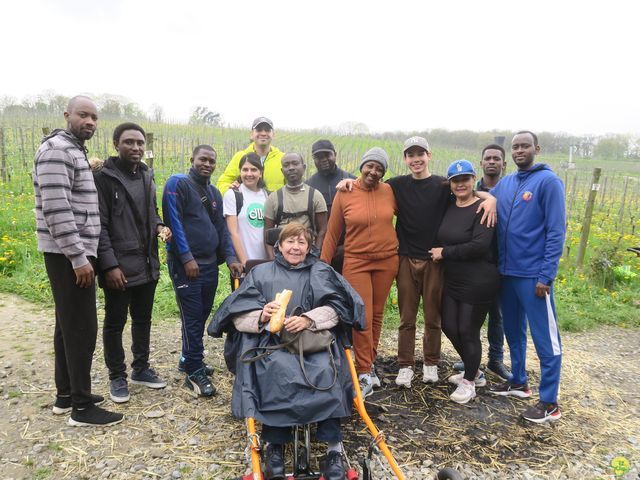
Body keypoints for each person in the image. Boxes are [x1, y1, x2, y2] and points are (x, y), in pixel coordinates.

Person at [335, 137, 495, 390]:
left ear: (429, 155)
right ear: (405, 159)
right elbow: (368, 186)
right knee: (406, 316)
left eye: (420, 153)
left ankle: (431, 361)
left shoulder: (443, 185)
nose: (416, 159)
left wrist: (491, 199)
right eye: (411, 155)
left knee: (433, 315)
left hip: (434, 258)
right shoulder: (396, 185)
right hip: (406, 257)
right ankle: (405, 365)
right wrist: (347, 182)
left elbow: (470, 192)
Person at [208, 223, 365, 480]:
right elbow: (237, 317)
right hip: (271, 345)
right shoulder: (260, 274)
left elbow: (339, 309)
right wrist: (262, 315)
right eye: (290, 241)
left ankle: (333, 449)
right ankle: (275, 446)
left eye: (301, 242)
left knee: (328, 369)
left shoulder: (322, 271)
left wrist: (309, 319)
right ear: (279, 245)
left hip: (314, 342)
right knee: (274, 370)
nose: (295, 247)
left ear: (308, 246)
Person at [33, 95, 123, 426]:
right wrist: (78, 256)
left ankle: (66, 395)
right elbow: (57, 210)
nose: (90, 122)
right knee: (82, 327)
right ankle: (82, 409)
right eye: (83, 115)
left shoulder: (72, 149)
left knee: (67, 325)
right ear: (67, 114)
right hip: (68, 254)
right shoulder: (57, 150)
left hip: (72, 252)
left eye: (94, 117)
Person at [489, 131, 566, 424]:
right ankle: (519, 381)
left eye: (525, 146)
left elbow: (556, 231)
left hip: (534, 276)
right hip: (507, 273)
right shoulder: (507, 183)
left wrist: (546, 274)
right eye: (516, 147)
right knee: (513, 331)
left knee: (546, 339)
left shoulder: (548, 182)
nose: (520, 150)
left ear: (537, 148)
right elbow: (484, 197)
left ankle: (549, 402)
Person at [94, 122, 171, 404]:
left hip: (147, 262)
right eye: (129, 142)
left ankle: (140, 368)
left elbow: (151, 212)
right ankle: (117, 375)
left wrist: (160, 226)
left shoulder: (147, 175)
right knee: (115, 323)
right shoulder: (103, 177)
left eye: (140, 143)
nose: (136, 147)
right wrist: (109, 265)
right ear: (116, 144)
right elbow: (99, 225)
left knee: (143, 319)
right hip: (119, 267)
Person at [162, 145, 243, 397]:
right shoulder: (177, 184)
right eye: (202, 159)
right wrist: (186, 257)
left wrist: (230, 257)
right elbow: (173, 221)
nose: (207, 164)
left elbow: (220, 228)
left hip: (208, 265)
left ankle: (188, 359)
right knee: (193, 316)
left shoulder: (214, 193)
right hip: (187, 266)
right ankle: (194, 371)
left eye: (211, 161)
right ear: (192, 160)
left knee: (202, 313)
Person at [321, 147, 399, 398]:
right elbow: (332, 234)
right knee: (361, 314)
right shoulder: (346, 192)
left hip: (387, 260)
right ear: (362, 166)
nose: (374, 172)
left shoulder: (389, 191)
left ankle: (368, 365)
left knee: (377, 315)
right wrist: (322, 266)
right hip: (356, 262)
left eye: (380, 169)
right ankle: (364, 370)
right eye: (370, 166)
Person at [429, 160, 500, 404]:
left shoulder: (483, 209)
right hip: (454, 278)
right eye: (456, 180)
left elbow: (480, 246)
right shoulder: (450, 204)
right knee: (449, 325)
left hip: (479, 279)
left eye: (465, 179)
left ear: (473, 180)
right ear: (450, 184)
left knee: (468, 331)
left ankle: (470, 381)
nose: (461, 184)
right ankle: (475, 370)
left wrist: (445, 253)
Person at [453, 144, 511, 380]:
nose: (492, 161)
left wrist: (493, 199)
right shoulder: (472, 190)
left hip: (502, 259)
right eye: (487, 158)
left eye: (496, 158)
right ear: (481, 163)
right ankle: (470, 357)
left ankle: (495, 359)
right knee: (473, 316)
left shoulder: (508, 190)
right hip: (476, 264)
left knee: (497, 315)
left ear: (503, 164)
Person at [263, 153, 328, 256]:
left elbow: (323, 230)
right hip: (281, 255)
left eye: (295, 163)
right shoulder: (273, 198)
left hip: (308, 253)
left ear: (304, 167)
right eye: (286, 165)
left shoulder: (316, 196)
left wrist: (316, 255)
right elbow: (267, 233)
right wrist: (272, 260)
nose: (291, 168)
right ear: (282, 171)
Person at [306, 139, 355, 273]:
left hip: (348, 251)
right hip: (318, 251)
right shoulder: (308, 185)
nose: (323, 159)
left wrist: (346, 247)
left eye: (327, 155)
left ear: (335, 154)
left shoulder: (352, 181)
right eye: (318, 157)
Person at [223, 152, 269, 267]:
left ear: (261, 172)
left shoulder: (267, 196)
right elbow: (232, 232)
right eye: (245, 170)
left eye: (254, 170)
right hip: (244, 265)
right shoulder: (232, 195)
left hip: (267, 264)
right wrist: (244, 262)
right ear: (240, 171)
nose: (249, 174)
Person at [216, 117, 285, 194]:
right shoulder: (240, 156)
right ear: (251, 134)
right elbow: (222, 182)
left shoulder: (283, 159)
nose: (263, 133)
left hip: (275, 206)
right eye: (259, 130)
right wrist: (230, 190)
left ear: (273, 135)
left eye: (267, 130)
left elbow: (292, 187)